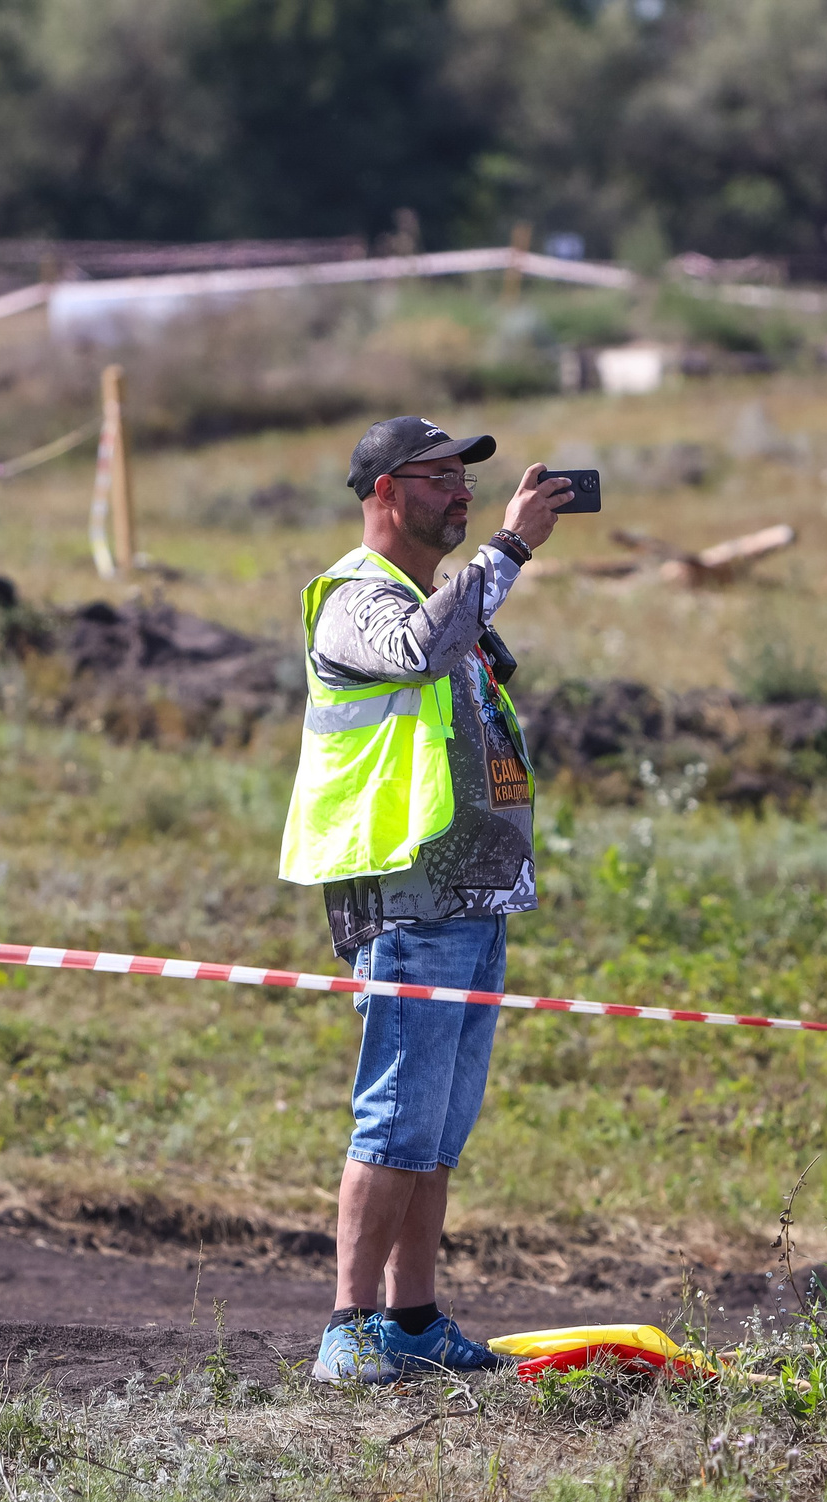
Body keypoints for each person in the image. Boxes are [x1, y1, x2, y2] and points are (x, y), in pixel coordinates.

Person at [282, 415, 574, 1383]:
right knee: (393, 1118)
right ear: (382, 494)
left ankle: (410, 1322)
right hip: (407, 892)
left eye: (466, 480)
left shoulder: (436, 595)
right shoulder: (354, 599)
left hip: (472, 896)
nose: (461, 493)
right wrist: (513, 546)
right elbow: (414, 652)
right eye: (438, 478)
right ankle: (347, 1329)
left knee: (438, 1130)